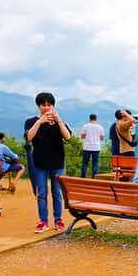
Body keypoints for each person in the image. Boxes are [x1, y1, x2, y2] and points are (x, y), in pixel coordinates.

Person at [25, 92, 71, 233]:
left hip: (57, 162)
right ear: (38, 106)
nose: (46, 107)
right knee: (42, 193)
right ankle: (43, 221)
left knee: (56, 192)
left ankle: (58, 220)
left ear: (53, 106)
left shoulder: (59, 122)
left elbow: (68, 137)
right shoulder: (31, 121)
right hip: (39, 162)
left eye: (49, 105)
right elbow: (29, 137)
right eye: (43, 105)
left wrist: (59, 121)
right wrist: (40, 122)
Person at [80, 113, 105, 177]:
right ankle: (94, 178)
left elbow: (82, 136)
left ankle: (83, 177)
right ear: (96, 119)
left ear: (89, 118)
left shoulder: (85, 126)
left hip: (87, 147)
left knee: (85, 164)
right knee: (95, 164)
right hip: (96, 147)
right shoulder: (100, 127)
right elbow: (102, 138)